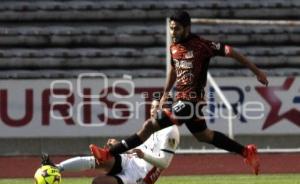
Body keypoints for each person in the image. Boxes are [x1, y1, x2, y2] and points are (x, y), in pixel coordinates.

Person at [89, 11, 269, 175]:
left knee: (149, 126)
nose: (173, 32)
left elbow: (231, 52)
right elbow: (174, 70)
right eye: (171, 29)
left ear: (187, 28)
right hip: (183, 100)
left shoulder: (202, 45)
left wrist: (257, 72)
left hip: (192, 101)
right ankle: (246, 151)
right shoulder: (173, 47)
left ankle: (107, 153)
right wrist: (166, 93)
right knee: (203, 135)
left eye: (177, 29)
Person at [41, 99, 180, 184]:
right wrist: (121, 146)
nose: (153, 111)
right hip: (131, 160)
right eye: (152, 107)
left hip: (140, 175)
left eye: (157, 108)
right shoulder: (151, 125)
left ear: (165, 111)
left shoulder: (170, 131)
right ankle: (58, 168)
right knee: (97, 159)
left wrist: (144, 155)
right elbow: (139, 148)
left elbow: (164, 163)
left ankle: (120, 180)